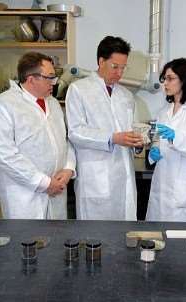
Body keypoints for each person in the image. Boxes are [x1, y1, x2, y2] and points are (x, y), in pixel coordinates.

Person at [0, 52, 75, 219]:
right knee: (27, 242)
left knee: (56, 239)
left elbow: (65, 141)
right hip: (25, 196)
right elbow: (5, 155)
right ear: (31, 78)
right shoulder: (3, 105)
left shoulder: (53, 104)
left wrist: (68, 168)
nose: (54, 83)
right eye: (49, 77)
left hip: (57, 191)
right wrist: (44, 183)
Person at [65, 36, 143, 220]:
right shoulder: (79, 90)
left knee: (124, 233)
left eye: (123, 68)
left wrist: (138, 142)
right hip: (95, 176)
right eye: (115, 66)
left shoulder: (125, 95)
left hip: (123, 175)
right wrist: (112, 138)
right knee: (95, 235)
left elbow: (132, 129)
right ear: (101, 61)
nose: (119, 73)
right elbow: (75, 132)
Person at [145, 58, 186, 222]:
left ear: (185, 80)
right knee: (156, 240)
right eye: (164, 79)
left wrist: (176, 138)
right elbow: (158, 140)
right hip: (161, 188)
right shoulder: (163, 112)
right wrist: (154, 150)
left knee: (180, 243)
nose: (165, 83)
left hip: (183, 193)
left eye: (170, 78)